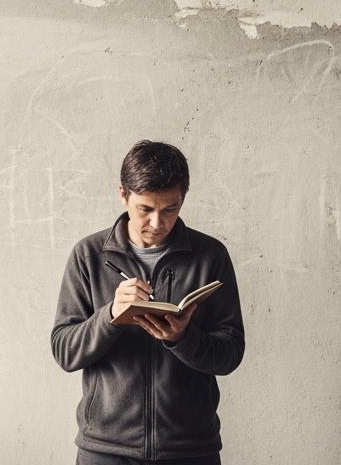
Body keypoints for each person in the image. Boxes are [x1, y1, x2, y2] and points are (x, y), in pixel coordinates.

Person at [52, 140, 246, 465]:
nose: (158, 223)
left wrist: (183, 338)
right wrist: (111, 315)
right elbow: (65, 352)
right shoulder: (88, 256)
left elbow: (230, 355)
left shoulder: (211, 256)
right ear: (123, 195)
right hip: (106, 449)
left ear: (183, 199)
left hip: (190, 449)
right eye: (145, 209)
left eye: (170, 209)